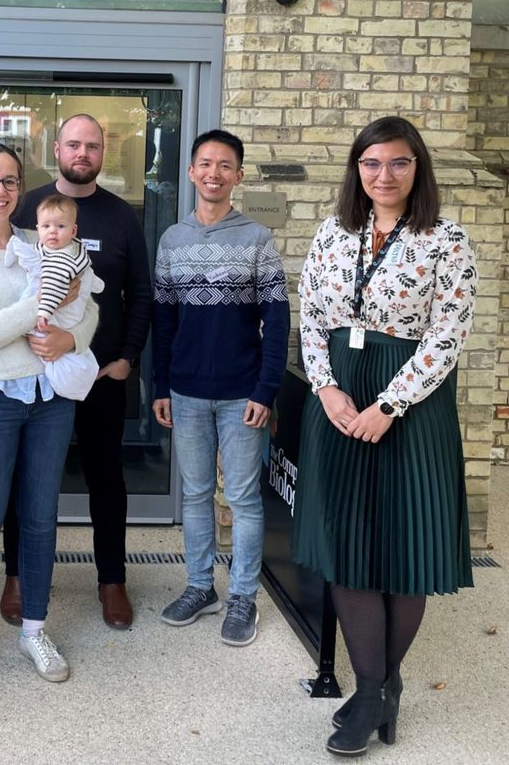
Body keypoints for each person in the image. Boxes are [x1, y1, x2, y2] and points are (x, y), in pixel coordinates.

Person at [293, 116, 476, 757]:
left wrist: (390, 405)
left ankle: (373, 692)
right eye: (371, 163)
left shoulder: (446, 240)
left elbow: (447, 336)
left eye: (398, 162)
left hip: (411, 406)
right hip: (340, 400)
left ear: (417, 167)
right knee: (346, 543)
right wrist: (326, 389)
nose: (384, 175)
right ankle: (379, 689)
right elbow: (310, 318)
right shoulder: (333, 232)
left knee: (405, 546)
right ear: (357, 170)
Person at [0, 142, 99, 694]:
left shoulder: (43, 241)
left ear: (20, 190)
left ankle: (34, 630)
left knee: (40, 520)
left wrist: (69, 338)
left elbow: (89, 308)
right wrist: (42, 305)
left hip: (49, 400)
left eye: (10, 181)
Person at [4, 114, 152, 630]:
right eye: (73, 144)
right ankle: (17, 576)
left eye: (92, 145)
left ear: (103, 152)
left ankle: (112, 579)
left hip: (100, 374)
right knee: (25, 478)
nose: (82, 153)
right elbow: (5, 285)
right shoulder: (27, 208)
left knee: (105, 477)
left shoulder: (121, 216)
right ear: (57, 150)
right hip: (33, 373)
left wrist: (127, 357)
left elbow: (141, 293)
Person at [152, 128, 289, 647]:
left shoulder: (256, 239)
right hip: (185, 392)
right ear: (191, 172)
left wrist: (266, 390)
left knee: (244, 498)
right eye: (206, 164)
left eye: (225, 165)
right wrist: (160, 386)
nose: (214, 173)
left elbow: (277, 319)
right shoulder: (173, 239)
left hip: (242, 395)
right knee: (194, 495)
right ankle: (199, 587)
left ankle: (242, 598)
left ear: (238, 175)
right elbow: (164, 322)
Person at [4, 193, 103, 400]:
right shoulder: (69, 249)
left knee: (45, 332)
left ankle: (71, 380)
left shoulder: (60, 258)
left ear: (73, 230)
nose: (53, 231)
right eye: (46, 226)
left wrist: (43, 313)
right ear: (38, 228)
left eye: (60, 226)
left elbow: (51, 289)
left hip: (57, 317)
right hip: (8, 384)